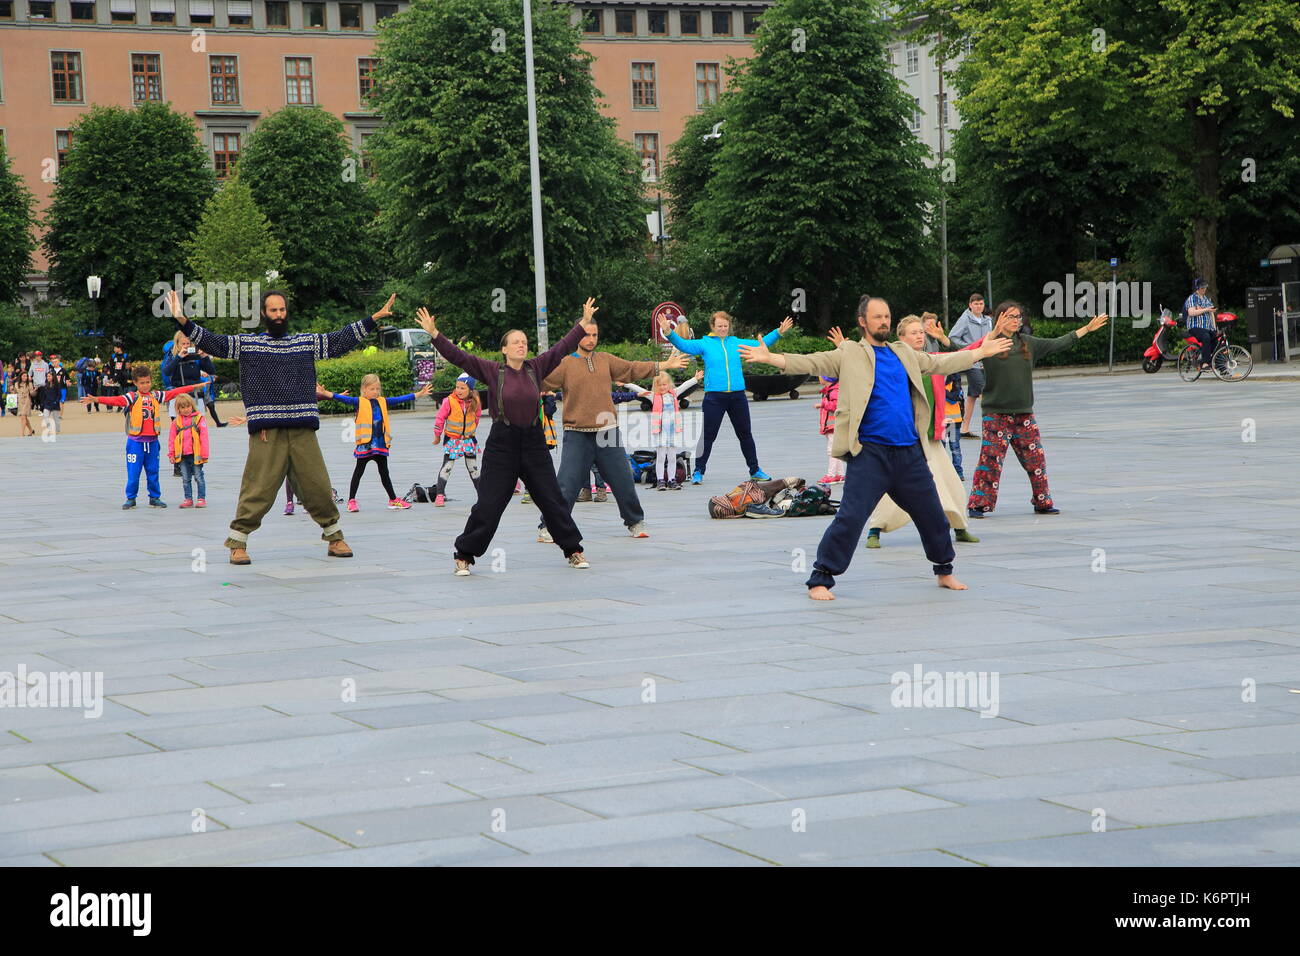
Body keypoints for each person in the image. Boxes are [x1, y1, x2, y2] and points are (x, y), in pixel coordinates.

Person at [738, 295, 1012, 599]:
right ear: (863, 322)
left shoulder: (903, 353)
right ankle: (820, 578)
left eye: (887, 316)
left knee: (933, 515)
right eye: (878, 317)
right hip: (870, 455)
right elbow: (814, 360)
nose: (884, 321)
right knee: (851, 517)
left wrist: (978, 353)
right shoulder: (851, 353)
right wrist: (772, 358)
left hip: (909, 454)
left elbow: (939, 362)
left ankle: (944, 570)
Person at [166, 287, 389, 565]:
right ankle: (238, 542)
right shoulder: (249, 344)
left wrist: (372, 319)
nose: (279, 315)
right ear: (264, 314)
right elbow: (215, 343)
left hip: (302, 427)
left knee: (317, 484)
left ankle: (334, 536)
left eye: (282, 310)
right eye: (273, 310)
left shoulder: (303, 342)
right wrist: (182, 320)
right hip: (266, 429)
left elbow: (337, 341)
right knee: (257, 487)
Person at [415, 300, 593, 575]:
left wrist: (582, 323)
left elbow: (561, 348)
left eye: (524, 341)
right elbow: (460, 357)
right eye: (516, 342)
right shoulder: (492, 371)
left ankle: (574, 550)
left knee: (551, 498)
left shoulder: (537, 367)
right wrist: (435, 334)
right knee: (489, 503)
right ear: (505, 349)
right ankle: (464, 554)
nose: (522, 345)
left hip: (533, 443)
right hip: (503, 444)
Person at [536, 314, 688, 542]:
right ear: (576, 334)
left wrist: (664, 365)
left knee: (623, 480)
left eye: (594, 335)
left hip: (608, 433)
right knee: (567, 484)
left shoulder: (605, 360)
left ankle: (635, 522)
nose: (591, 339)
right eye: (586, 334)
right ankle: (548, 526)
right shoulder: (565, 364)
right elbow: (539, 379)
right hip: (577, 433)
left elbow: (632, 368)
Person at [966, 302, 1109, 518]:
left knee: (1036, 460)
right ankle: (978, 504)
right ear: (999, 318)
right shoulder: (990, 344)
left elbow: (1058, 343)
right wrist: (993, 332)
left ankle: (1042, 502)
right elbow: (973, 351)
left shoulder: (1028, 343)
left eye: (1018, 316)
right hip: (996, 415)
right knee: (990, 460)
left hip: (1023, 414)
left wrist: (1086, 329)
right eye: (1010, 316)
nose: (1016, 320)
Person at [862, 315, 980, 550]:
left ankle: (959, 527)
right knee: (891, 487)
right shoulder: (892, 362)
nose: (919, 336)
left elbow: (963, 355)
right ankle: (874, 530)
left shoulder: (932, 360)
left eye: (921, 332)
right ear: (901, 338)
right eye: (913, 332)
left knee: (949, 482)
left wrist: (991, 337)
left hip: (929, 437)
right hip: (902, 439)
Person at [661, 311, 793, 484]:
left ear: (729, 326)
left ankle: (755, 470)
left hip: (738, 396)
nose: (723, 329)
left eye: (725, 326)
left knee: (745, 434)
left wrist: (778, 332)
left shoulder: (736, 343)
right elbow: (685, 345)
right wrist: (669, 333)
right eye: (719, 326)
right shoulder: (705, 343)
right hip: (714, 397)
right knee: (708, 436)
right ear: (713, 327)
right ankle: (698, 471)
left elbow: (761, 344)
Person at [85, 363, 207, 509]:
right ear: (135, 383)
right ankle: (131, 498)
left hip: (153, 442)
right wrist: (97, 399)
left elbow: (174, 392)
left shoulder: (156, 395)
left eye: (147, 382)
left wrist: (194, 387)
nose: (145, 385)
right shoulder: (132, 397)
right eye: (142, 383)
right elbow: (116, 400)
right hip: (135, 443)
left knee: (153, 471)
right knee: (133, 473)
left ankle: (154, 497)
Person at [318, 375, 431, 512]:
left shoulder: (382, 401)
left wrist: (418, 394)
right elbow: (341, 398)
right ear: (364, 390)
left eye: (378, 389)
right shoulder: (359, 402)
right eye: (372, 389)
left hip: (380, 445)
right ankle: (352, 500)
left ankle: (393, 500)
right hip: (365, 445)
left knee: (385, 473)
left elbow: (400, 399)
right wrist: (325, 393)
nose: (376, 391)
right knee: (358, 472)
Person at [621, 371, 697, 490]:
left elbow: (684, 386)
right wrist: (626, 384)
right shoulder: (653, 396)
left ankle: (672, 480)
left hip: (673, 431)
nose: (662, 387)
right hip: (660, 432)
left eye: (664, 385)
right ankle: (660, 480)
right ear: (655, 386)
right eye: (659, 385)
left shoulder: (674, 394)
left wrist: (695, 379)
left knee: (672, 457)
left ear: (669, 384)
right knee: (661, 457)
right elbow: (638, 388)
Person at [431, 374, 483, 507]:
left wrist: (471, 431)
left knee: (474, 468)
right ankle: (440, 495)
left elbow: (477, 418)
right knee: (447, 467)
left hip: (468, 439)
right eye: (457, 387)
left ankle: (483, 496)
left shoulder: (475, 401)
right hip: (453, 439)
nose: (459, 390)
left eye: (463, 388)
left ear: (470, 390)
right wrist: (437, 435)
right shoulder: (449, 401)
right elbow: (440, 418)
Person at [949, 294, 992, 436]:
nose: (979, 306)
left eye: (981, 304)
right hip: (971, 362)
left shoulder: (988, 321)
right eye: (976, 304)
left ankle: (964, 428)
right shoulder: (965, 319)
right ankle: (990, 427)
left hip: (986, 361)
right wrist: (970, 348)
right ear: (970, 305)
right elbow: (952, 337)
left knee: (973, 395)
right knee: (984, 393)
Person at [168, 392, 210, 508]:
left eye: (188, 406)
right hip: (182, 455)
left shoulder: (199, 419)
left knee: (198, 476)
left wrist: (204, 453)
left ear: (192, 406)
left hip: (196, 454)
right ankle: (188, 499)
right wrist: (171, 454)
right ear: (178, 409)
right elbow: (172, 439)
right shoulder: (176, 422)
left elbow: (204, 437)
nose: (186, 409)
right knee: (185, 478)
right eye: (182, 407)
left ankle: (201, 498)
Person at [1182, 278, 1219, 370]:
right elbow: (1191, 312)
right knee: (1205, 337)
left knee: (1216, 341)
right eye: (1202, 288)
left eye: (1205, 287)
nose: (1204, 289)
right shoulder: (1192, 298)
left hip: (1207, 327)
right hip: (1195, 326)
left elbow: (1211, 314)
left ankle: (1221, 367)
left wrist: (1214, 328)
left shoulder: (1206, 299)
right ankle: (1205, 363)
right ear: (1197, 288)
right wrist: (1205, 310)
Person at [816, 375, 844, 484]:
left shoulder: (833, 391)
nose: (819, 377)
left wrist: (823, 404)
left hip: (834, 426)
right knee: (835, 450)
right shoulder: (829, 391)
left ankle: (831, 475)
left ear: (826, 378)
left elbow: (836, 405)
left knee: (832, 450)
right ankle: (840, 474)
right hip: (832, 426)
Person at [105, 345, 130, 413]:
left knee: (123, 392)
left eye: (115, 348)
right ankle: (110, 407)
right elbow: (111, 367)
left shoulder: (125, 356)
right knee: (114, 392)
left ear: (119, 348)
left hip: (123, 377)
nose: (114, 349)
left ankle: (122, 406)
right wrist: (111, 377)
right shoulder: (113, 356)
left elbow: (127, 366)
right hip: (114, 377)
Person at [13, 372, 36, 436]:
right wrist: (12, 390)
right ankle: (31, 430)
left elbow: (32, 394)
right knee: (24, 417)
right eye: (23, 376)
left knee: (23, 416)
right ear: (20, 376)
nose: (25, 377)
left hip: (27, 401)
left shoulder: (30, 384)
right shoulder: (16, 384)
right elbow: (14, 392)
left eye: (26, 376)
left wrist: (35, 390)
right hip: (20, 401)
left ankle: (22, 433)